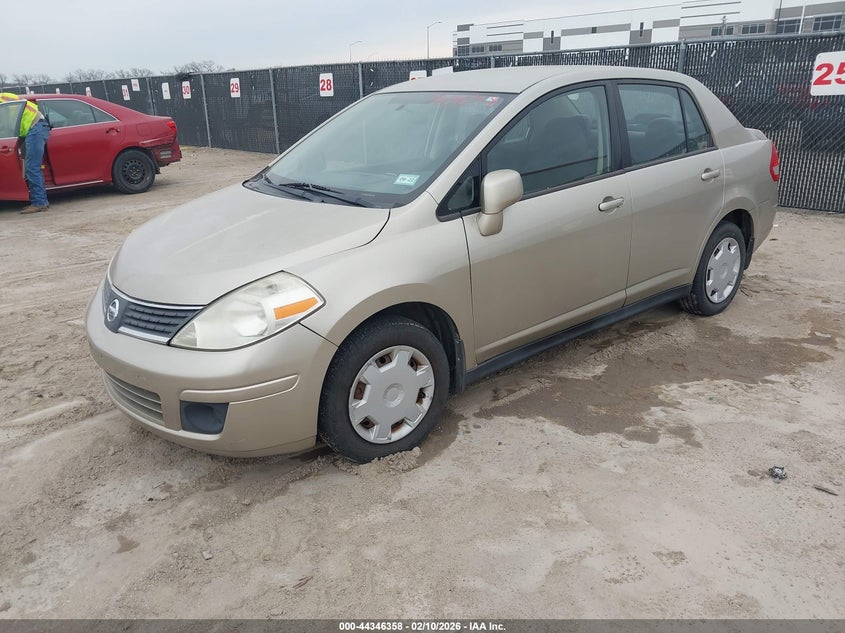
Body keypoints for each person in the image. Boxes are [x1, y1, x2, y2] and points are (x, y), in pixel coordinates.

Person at [0, 93, 51, 214]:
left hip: (34, 128)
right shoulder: (3, 97)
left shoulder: (2, 103)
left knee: (31, 167)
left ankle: (39, 203)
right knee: (31, 167)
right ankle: (42, 201)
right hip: (34, 127)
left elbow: (4, 126)